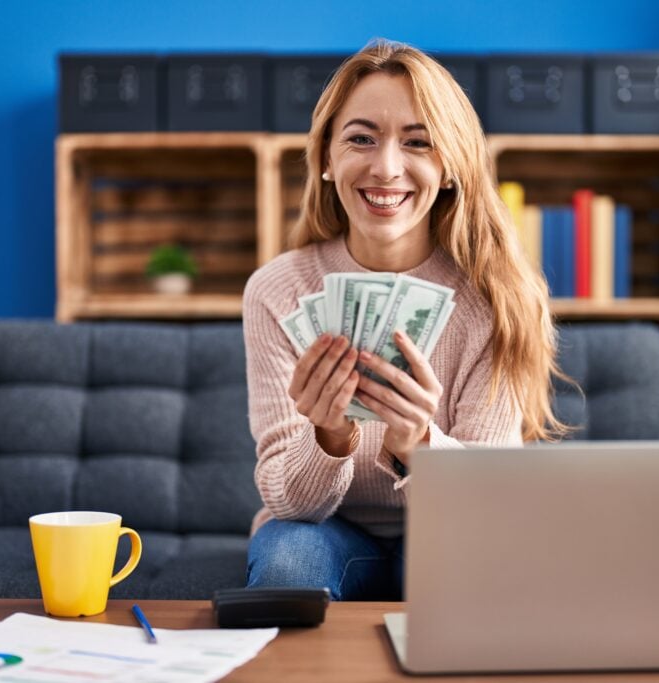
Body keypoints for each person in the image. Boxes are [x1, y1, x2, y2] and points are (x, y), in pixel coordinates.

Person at [242, 39, 567, 600]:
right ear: (325, 159)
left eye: (417, 143)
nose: (386, 167)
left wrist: (418, 442)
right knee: (287, 566)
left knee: (471, 574)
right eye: (360, 139)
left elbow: (489, 506)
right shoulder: (277, 291)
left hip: (453, 529)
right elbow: (288, 503)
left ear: (448, 169)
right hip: (323, 529)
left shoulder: (495, 296)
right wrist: (329, 436)